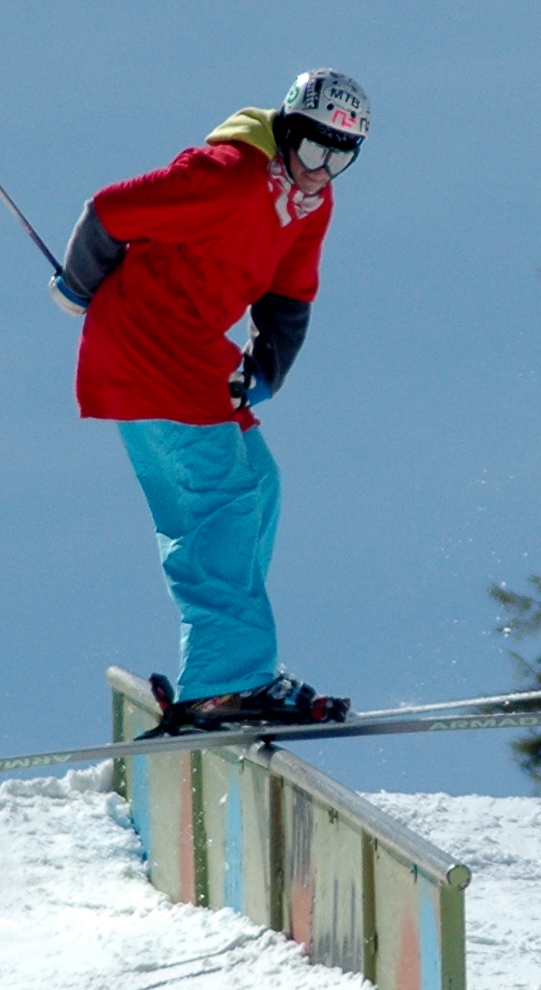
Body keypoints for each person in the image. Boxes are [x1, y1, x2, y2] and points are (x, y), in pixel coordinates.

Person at [53, 69, 370, 731]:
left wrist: (263, 372)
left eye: (342, 157)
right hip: (146, 346)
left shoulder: (310, 204)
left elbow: (290, 293)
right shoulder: (226, 175)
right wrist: (76, 287)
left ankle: (235, 662)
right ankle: (227, 679)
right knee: (219, 503)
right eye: (314, 150)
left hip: (194, 355)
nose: (323, 171)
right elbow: (112, 209)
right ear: (287, 131)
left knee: (259, 483)